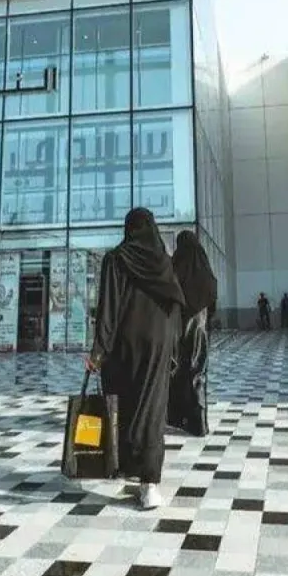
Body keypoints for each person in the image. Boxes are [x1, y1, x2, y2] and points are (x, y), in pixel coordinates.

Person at [87, 208, 185, 510]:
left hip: (124, 347)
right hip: (158, 344)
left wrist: (98, 351)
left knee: (124, 405)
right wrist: (172, 348)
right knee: (151, 410)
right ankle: (149, 484)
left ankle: (127, 465)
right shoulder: (164, 262)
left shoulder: (116, 259)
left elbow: (108, 309)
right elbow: (176, 305)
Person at [169, 230, 217, 437]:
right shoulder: (204, 268)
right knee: (198, 372)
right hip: (200, 328)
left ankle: (178, 417)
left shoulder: (176, 265)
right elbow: (212, 296)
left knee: (177, 371)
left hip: (178, 327)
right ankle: (199, 423)